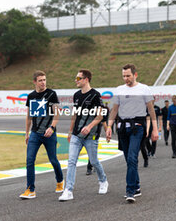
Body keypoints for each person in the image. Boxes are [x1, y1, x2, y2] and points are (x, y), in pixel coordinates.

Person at [106, 64, 158, 203]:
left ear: (135, 75)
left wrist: (155, 129)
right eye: (123, 76)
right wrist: (109, 126)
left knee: (132, 158)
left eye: (128, 75)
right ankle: (137, 186)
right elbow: (114, 110)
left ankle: (130, 191)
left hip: (138, 127)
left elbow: (151, 111)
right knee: (129, 160)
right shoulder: (119, 90)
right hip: (122, 128)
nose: (125, 78)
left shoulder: (144, 89)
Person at [59, 69, 109, 201]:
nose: (76, 80)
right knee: (71, 161)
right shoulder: (76, 95)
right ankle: (68, 190)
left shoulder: (95, 95)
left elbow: (100, 116)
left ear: (86, 79)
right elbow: (75, 115)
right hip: (76, 135)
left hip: (91, 136)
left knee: (94, 161)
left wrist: (89, 127)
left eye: (78, 78)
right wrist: (70, 131)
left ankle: (103, 180)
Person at [19, 70, 64, 199]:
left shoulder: (51, 94)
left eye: (44, 80)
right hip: (35, 133)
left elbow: (57, 113)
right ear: (35, 82)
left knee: (53, 160)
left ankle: (60, 181)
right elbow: (29, 116)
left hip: (49, 133)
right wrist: (27, 133)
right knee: (29, 160)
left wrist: (52, 127)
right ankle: (30, 189)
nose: (43, 82)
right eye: (40, 80)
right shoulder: (31, 96)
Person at [86, 105, 108, 175]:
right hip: (86, 132)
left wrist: (107, 134)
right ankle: (93, 165)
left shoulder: (102, 112)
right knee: (92, 151)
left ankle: (89, 167)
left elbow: (104, 124)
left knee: (92, 150)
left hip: (95, 134)